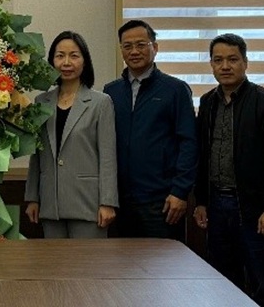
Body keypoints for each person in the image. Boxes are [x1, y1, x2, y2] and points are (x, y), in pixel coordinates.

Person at [193, 33, 264, 307]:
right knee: (222, 280)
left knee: (262, 281)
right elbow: (202, 154)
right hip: (216, 204)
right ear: (211, 65)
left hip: (252, 207)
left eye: (232, 59)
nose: (225, 66)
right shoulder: (208, 102)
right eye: (218, 60)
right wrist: (201, 201)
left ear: (245, 62)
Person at [103, 19, 197, 240]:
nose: (134, 51)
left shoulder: (175, 89)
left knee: (163, 261)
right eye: (127, 46)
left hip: (162, 201)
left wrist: (179, 191)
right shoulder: (111, 92)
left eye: (141, 44)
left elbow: (189, 143)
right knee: (122, 260)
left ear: (155, 47)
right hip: (121, 201)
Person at [24, 30, 118, 238]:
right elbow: (36, 154)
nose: (66, 62)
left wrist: (108, 202)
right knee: (54, 259)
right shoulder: (41, 102)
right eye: (60, 56)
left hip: (88, 204)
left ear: (85, 61)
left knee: (87, 260)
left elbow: (108, 157)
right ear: (52, 61)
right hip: (50, 203)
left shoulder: (101, 103)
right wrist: (32, 197)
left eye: (74, 56)